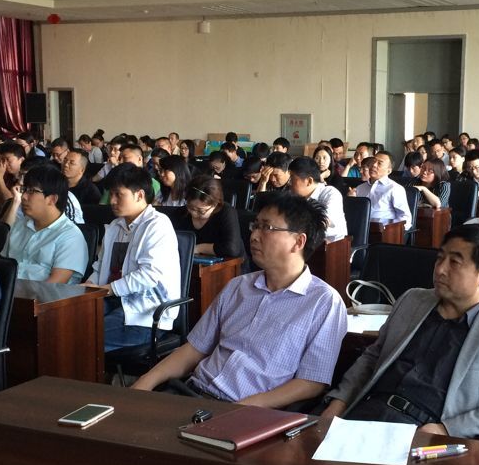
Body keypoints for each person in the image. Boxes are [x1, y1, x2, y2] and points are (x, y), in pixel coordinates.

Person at [132, 194, 346, 409]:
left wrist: (240, 409)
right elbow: (194, 349)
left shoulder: (323, 302)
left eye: (267, 228)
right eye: (255, 226)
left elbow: (311, 382)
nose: (254, 236)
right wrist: (145, 382)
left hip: (250, 410)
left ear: (298, 241)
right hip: (194, 392)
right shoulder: (238, 287)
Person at [323, 224, 479, 439]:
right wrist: (339, 402)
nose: (440, 269)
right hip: (366, 414)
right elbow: (373, 357)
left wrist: (446, 429)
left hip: (425, 430)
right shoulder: (412, 300)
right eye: (440, 259)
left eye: (454, 262)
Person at [87, 164, 181, 352]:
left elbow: (149, 275)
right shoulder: (115, 226)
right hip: (112, 299)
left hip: (145, 313)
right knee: (65, 321)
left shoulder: (157, 225)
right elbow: (100, 267)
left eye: (118, 195)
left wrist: (108, 290)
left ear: (139, 195)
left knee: (83, 336)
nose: (112, 201)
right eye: (111, 194)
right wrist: (87, 287)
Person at [2, 163, 90, 284]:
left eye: (31, 191)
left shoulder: (70, 237)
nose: (24, 197)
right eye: (24, 190)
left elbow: (53, 286)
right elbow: (1, 264)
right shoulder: (19, 226)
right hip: (6, 292)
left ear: (52, 199)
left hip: (42, 295)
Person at [176, 174, 244, 258]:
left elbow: (231, 249)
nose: (194, 213)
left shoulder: (226, 212)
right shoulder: (182, 213)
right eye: (191, 207)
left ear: (215, 204)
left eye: (201, 211)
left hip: (230, 263)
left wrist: (199, 248)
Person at [286, 156, 347, 243]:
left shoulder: (330, 193)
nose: (289, 183)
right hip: (304, 243)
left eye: (292, 179)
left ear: (309, 181)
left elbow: (323, 223)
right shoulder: (294, 197)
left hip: (333, 247)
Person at [354, 151, 412, 229]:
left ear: (389, 171)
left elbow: (405, 218)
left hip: (384, 232)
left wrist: (391, 231)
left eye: (379, 163)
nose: (374, 165)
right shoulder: (360, 188)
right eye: (373, 161)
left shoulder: (395, 189)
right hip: (360, 229)